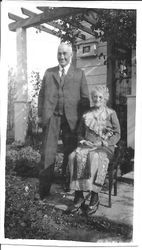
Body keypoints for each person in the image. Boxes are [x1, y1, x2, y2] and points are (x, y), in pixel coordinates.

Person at [38, 42, 90, 199]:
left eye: (64, 54)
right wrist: (41, 114)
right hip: (52, 117)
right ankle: (43, 190)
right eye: (59, 53)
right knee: (47, 153)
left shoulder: (79, 73)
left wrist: (83, 121)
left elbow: (85, 99)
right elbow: (41, 95)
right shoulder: (49, 72)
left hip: (71, 120)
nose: (61, 57)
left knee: (70, 153)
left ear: (71, 55)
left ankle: (67, 184)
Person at [67, 85, 121, 216]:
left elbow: (117, 133)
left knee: (95, 157)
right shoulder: (86, 114)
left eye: (100, 97)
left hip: (105, 147)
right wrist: (83, 141)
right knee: (73, 156)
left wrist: (104, 142)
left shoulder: (111, 113)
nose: (97, 99)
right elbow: (79, 133)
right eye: (95, 97)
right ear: (92, 98)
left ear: (105, 99)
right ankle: (79, 195)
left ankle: (94, 196)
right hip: (87, 145)